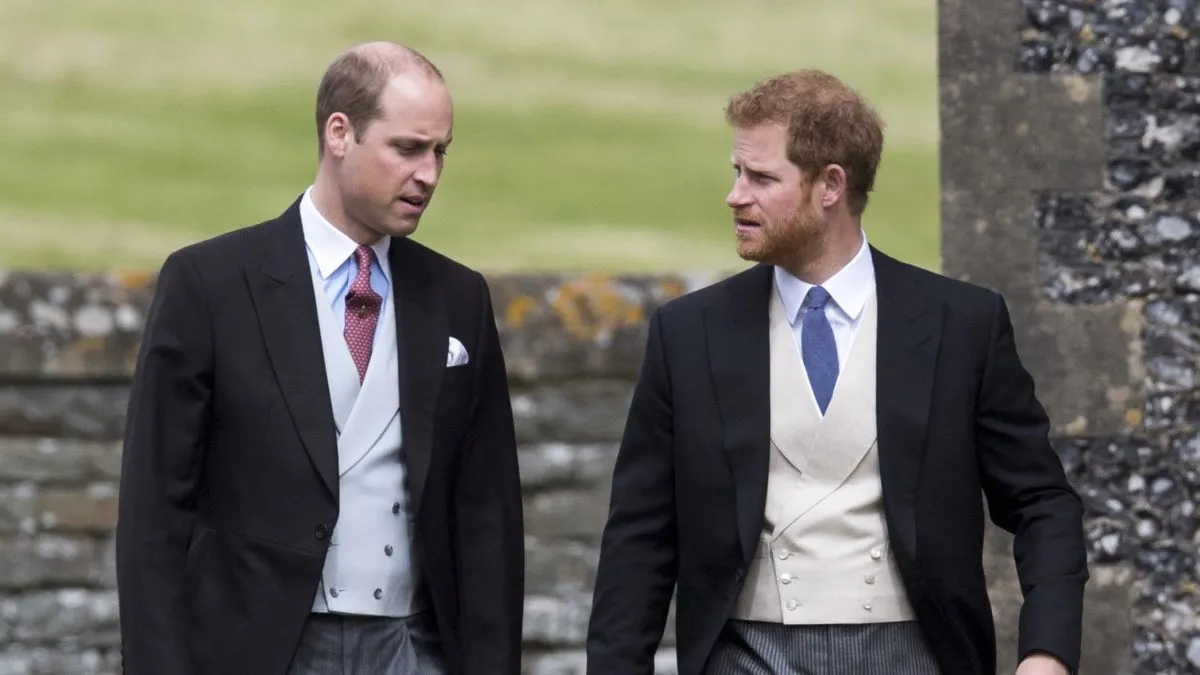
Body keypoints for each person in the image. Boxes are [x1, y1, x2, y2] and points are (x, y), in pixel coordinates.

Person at [585, 69, 1087, 675]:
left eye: (761, 178)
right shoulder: (688, 333)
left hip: (919, 656)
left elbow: (1041, 502)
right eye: (736, 172)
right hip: (743, 656)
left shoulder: (962, 325)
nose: (735, 195)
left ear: (830, 186)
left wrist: (1047, 654)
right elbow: (639, 536)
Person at [115, 42, 524, 675]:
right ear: (340, 132)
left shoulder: (458, 297)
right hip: (256, 650)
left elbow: (487, 517)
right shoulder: (211, 284)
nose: (430, 175)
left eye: (440, 151)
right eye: (408, 148)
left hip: (414, 652)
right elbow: (153, 512)